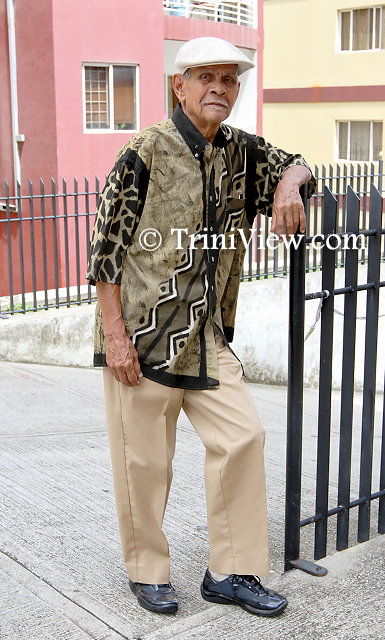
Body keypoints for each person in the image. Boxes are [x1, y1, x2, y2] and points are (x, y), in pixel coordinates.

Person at [86, 36, 316, 617]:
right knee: (145, 464)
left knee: (243, 437)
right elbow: (105, 252)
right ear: (179, 85)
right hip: (140, 336)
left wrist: (290, 183)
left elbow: (296, 163)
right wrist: (114, 337)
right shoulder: (145, 150)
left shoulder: (241, 149)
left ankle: (231, 571)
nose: (219, 88)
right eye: (205, 77)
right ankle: (147, 571)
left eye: (229, 79)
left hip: (206, 337)